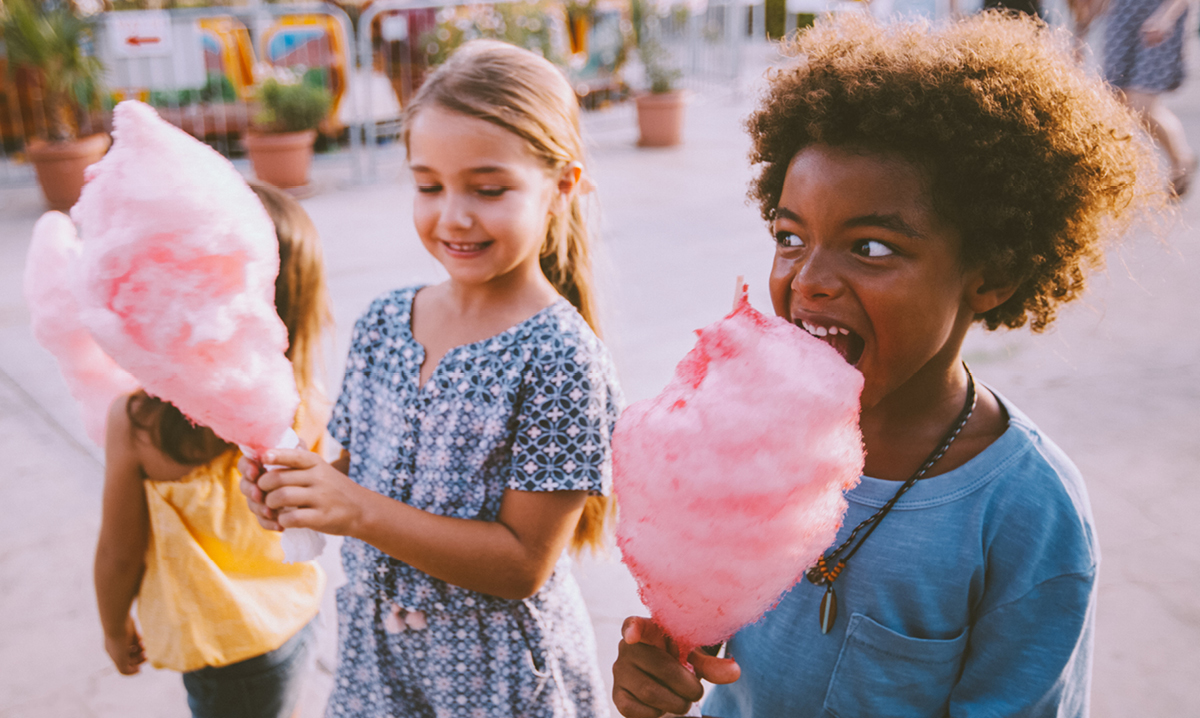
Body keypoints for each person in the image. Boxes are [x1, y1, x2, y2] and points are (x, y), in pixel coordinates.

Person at [611, 13, 1163, 718]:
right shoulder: (746, 435)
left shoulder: (1026, 512)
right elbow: (698, 620)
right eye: (789, 235)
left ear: (991, 275)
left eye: (870, 248)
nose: (808, 279)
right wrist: (658, 660)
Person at [239, 40, 621, 718]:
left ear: (563, 185)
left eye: (489, 188)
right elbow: (351, 477)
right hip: (376, 665)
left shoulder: (561, 357)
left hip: (497, 677)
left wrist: (359, 511)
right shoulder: (385, 321)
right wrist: (297, 490)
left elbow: (521, 564)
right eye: (428, 185)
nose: (453, 215)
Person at [93, 181, 334, 718]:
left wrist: (113, 628)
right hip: (293, 615)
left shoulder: (140, 426)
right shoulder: (307, 403)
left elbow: (119, 550)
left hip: (224, 647)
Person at [1103, 0, 1198, 196]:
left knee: (1140, 103)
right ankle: (1113, 174)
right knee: (1117, 99)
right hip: (1122, 16)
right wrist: (1080, 31)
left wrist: (1165, 17)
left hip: (1161, 14)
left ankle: (1180, 158)